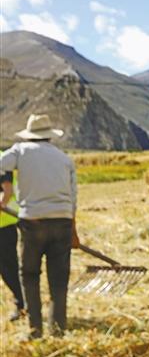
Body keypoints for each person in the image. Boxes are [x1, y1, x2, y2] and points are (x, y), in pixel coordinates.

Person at [0, 114, 79, 339]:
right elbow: (73, 199)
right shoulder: (65, 159)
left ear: (29, 135)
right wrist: (73, 233)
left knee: (30, 275)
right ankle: (58, 331)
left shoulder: (20, 151)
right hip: (62, 222)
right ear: (49, 136)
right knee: (59, 279)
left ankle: (35, 330)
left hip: (33, 222)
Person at [0, 170, 25, 321]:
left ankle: (22, 304)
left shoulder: (2, 162)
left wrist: (2, 203)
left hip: (4, 224)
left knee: (8, 268)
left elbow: (7, 191)